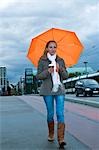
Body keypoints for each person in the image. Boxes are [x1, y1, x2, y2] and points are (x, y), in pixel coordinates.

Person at [36, 40, 68, 149]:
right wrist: (48, 71)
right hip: (47, 91)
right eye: (50, 47)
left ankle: (61, 139)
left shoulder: (61, 60)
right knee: (50, 114)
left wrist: (60, 69)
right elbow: (38, 76)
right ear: (46, 48)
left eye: (55, 47)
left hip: (59, 89)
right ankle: (51, 133)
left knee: (60, 113)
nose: (53, 49)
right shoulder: (42, 60)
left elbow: (66, 76)